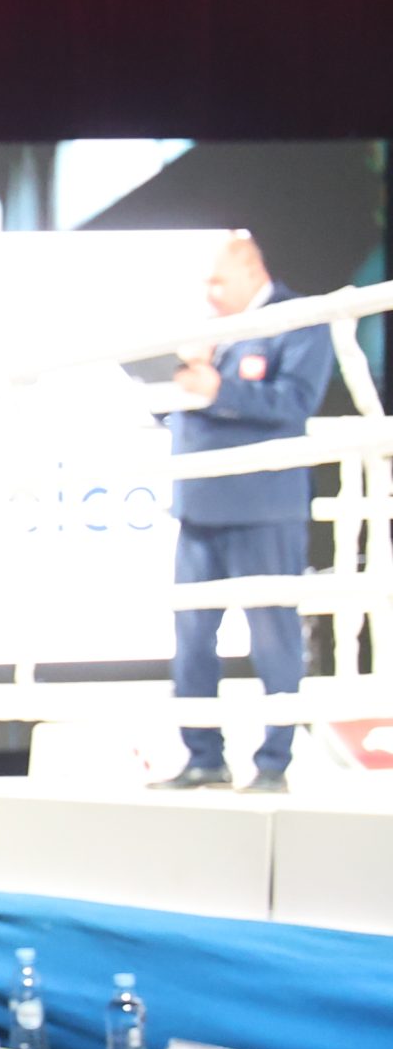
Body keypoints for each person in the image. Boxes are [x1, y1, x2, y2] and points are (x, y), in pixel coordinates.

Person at [152, 232, 328, 794]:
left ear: (253, 270)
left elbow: (295, 402)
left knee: (274, 639)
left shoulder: (299, 319)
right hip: (199, 506)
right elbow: (181, 406)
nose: (209, 292)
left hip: (263, 506)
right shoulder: (208, 330)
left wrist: (220, 388)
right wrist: (186, 375)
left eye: (218, 280)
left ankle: (275, 763)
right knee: (192, 641)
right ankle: (204, 756)